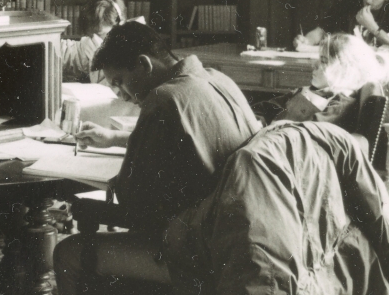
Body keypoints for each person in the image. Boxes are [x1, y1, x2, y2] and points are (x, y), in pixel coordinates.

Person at [53, 21, 260, 295]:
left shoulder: (163, 98)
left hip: (199, 255)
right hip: (241, 243)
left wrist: (115, 183)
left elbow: (133, 202)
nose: (123, 96)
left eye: (119, 82)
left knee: (67, 252)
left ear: (143, 64)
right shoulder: (218, 79)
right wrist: (117, 140)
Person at [254, 32, 389, 129]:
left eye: (323, 61)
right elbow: (268, 107)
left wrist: (274, 126)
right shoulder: (311, 91)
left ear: (345, 70)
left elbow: (311, 129)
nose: (314, 65)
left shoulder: (340, 105)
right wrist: (257, 120)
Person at [59, 0, 126, 84]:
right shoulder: (93, 42)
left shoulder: (133, 53)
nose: (94, 40)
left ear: (119, 26)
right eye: (90, 35)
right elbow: (70, 52)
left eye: (101, 34)